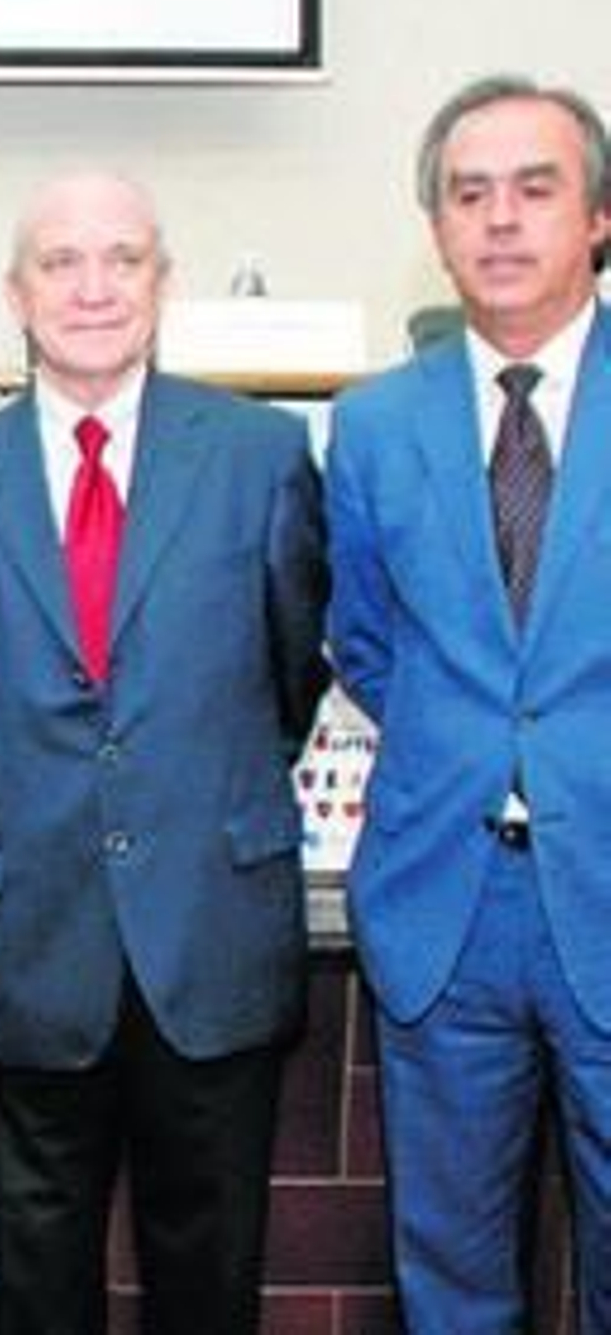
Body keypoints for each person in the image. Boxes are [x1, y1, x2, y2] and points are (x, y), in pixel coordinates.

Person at [0, 171, 328, 1335]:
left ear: (162, 281)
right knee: (32, 1288)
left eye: (122, 259)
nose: (92, 287)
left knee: (208, 1284)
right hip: (29, 935)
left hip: (211, 936)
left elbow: (292, 677)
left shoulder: (262, 456)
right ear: (15, 292)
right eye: (61, 262)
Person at [327, 74, 611, 1331]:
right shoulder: (372, 425)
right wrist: (473, 744)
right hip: (443, 904)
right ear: (436, 227)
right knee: (446, 1277)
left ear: (597, 218)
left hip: (605, 884)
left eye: (535, 189)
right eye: (467, 193)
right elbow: (364, 640)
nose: (499, 219)